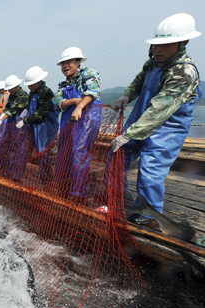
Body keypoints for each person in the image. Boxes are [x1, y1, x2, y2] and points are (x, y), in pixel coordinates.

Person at [110, 13, 202, 224]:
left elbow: (159, 111)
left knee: (150, 172)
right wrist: (127, 95)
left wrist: (128, 134)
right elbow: (138, 82)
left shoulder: (184, 72)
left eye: (165, 45)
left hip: (166, 129)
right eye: (155, 45)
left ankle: (148, 215)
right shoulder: (153, 62)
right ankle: (118, 195)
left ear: (183, 42)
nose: (157, 50)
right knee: (116, 155)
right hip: (139, 122)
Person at [52, 47, 102, 203]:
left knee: (80, 153)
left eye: (68, 62)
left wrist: (79, 107)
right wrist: (74, 101)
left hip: (86, 117)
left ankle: (78, 193)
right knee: (64, 153)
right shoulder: (63, 84)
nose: (65, 66)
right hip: (68, 120)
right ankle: (62, 188)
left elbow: (92, 92)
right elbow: (57, 102)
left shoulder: (89, 74)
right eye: (62, 64)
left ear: (78, 62)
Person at [10, 66, 59, 184]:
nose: (30, 87)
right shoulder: (32, 93)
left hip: (44, 126)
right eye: (29, 85)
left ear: (39, 81)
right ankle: (16, 176)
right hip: (32, 124)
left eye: (32, 84)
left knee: (43, 153)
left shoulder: (46, 92)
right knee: (23, 148)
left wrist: (25, 121)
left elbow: (41, 113)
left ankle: (46, 182)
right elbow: (29, 104)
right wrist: (25, 111)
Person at [0, 74, 29, 170]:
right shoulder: (11, 95)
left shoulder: (23, 95)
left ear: (17, 86)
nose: (10, 91)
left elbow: (13, 110)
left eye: (11, 89)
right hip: (10, 122)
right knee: (4, 143)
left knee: (15, 145)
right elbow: (8, 107)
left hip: (18, 122)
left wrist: (1, 119)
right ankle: (0, 165)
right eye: (9, 89)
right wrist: (2, 115)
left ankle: (11, 169)